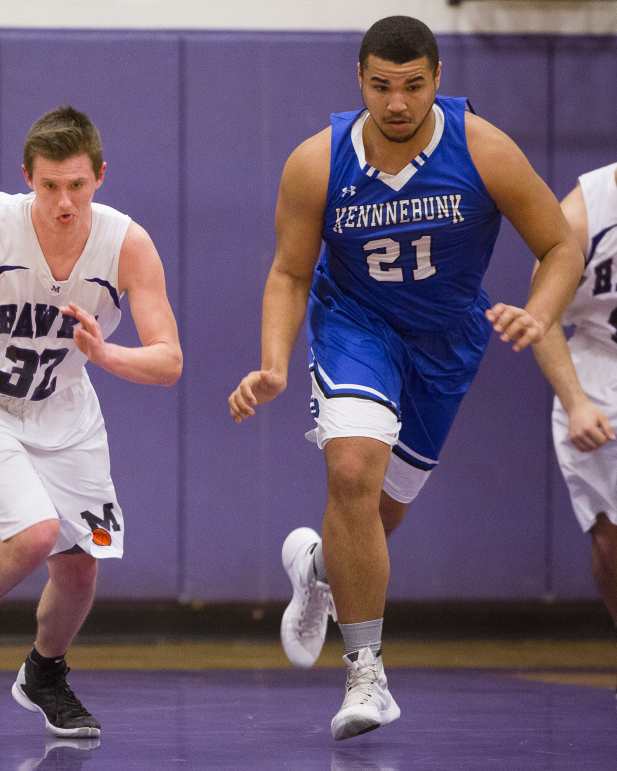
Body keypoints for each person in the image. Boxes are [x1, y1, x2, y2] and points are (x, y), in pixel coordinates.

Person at [228, 16, 584, 740]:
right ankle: (366, 672)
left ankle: (321, 564)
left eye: (413, 86)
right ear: (358, 78)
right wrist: (274, 360)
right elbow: (290, 271)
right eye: (382, 86)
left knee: (377, 518)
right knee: (352, 471)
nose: (397, 102)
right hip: (357, 326)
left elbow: (558, 245)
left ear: (438, 80)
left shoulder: (483, 150)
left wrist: (542, 314)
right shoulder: (316, 162)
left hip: (447, 341)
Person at [0, 106, 182, 738]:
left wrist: (107, 354)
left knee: (81, 567)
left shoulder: (128, 245)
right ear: (28, 177)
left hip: (65, 408)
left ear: (100, 176)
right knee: (35, 532)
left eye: (77, 184)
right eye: (50, 186)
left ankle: (45, 672)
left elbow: (169, 362)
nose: (64, 201)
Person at [531, 162, 617, 701]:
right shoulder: (582, 212)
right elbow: (541, 318)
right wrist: (576, 402)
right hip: (599, 371)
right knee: (611, 545)